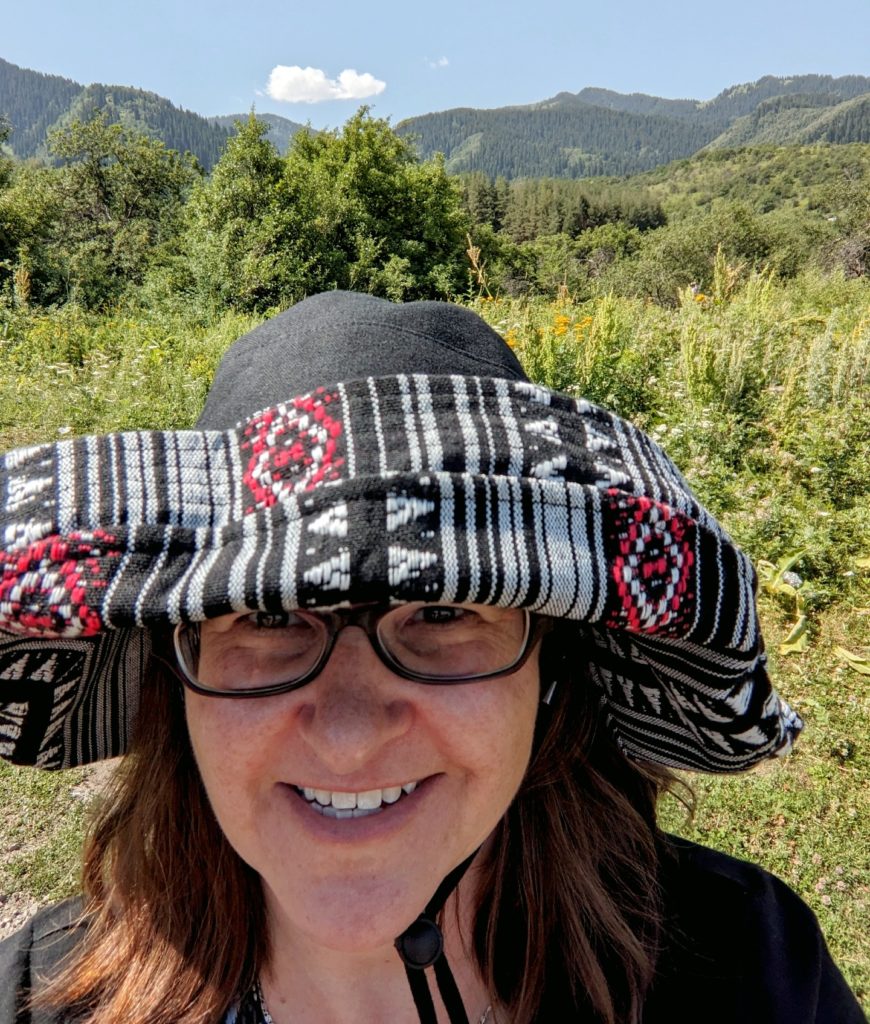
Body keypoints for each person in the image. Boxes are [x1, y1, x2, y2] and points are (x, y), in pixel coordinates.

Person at [0, 291, 863, 1024]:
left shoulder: (750, 972)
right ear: (174, 677)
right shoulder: (41, 998)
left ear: (550, 670)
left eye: (443, 611)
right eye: (265, 617)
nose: (346, 734)